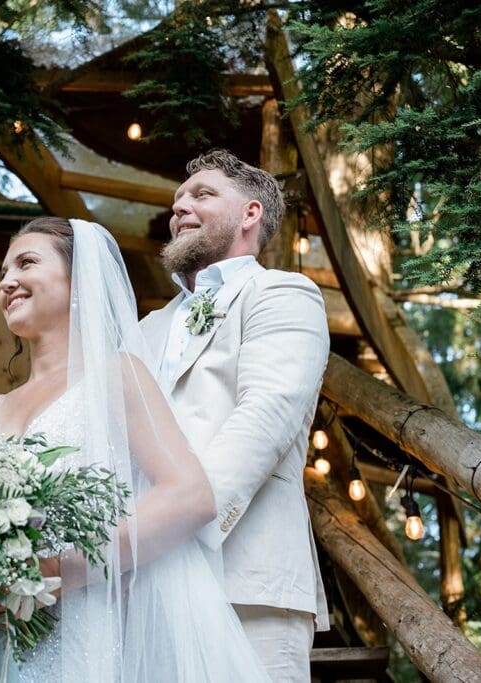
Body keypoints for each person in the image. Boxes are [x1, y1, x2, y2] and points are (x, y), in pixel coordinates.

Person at [0, 217, 269, 682]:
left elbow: (189, 497)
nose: (8, 282)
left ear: (78, 277)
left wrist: (57, 569)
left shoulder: (117, 378)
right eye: (2, 273)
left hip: (72, 634)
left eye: (26, 263)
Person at [140, 149, 331, 681]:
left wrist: (169, 531)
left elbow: (265, 417)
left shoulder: (284, 293)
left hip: (248, 582)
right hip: (143, 589)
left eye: (201, 195)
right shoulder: (147, 326)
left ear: (250, 214)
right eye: (177, 200)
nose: (180, 208)